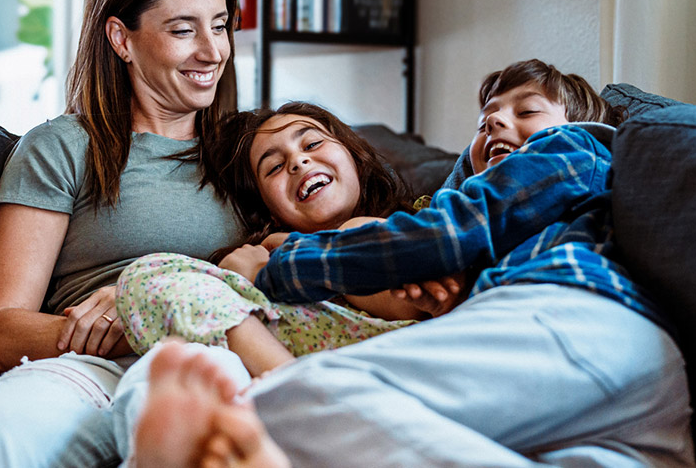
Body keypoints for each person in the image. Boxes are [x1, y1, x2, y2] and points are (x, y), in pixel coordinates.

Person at [127, 59, 694, 467]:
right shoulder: (481, 215)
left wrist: (273, 267)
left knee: (292, 399)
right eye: (485, 118)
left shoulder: (573, 149)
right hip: (613, 397)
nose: (496, 122)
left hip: (575, 317)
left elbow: (444, 234)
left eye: (526, 110)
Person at [0, 0, 251, 467]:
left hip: (202, 354)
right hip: (82, 365)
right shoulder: (62, 147)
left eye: (220, 26)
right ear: (121, 38)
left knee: (183, 420)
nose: (212, 51)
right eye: (182, 30)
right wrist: (123, 325)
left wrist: (156, 312)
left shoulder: (250, 151)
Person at [114, 102, 462, 377]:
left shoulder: (427, 215)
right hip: (305, 367)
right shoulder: (253, 266)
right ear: (268, 210)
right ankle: (291, 384)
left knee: (354, 230)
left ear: (354, 157)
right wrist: (245, 276)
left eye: (311, 143)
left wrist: (286, 260)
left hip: (399, 356)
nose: (298, 161)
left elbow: (415, 297)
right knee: (147, 274)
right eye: (274, 167)